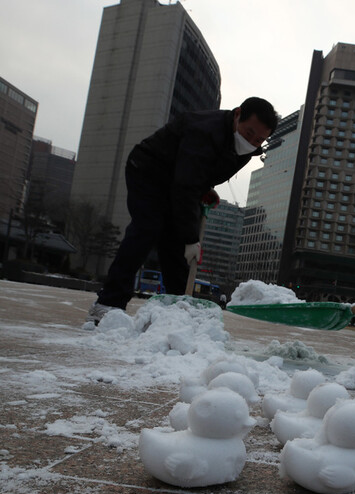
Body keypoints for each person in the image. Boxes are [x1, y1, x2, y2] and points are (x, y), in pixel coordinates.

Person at [87, 97, 278, 324]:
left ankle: (179, 308)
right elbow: (186, 183)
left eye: (259, 140)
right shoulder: (206, 131)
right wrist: (191, 237)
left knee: (176, 249)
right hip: (150, 171)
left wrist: (205, 189)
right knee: (147, 228)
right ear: (237, 114)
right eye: (249, 134)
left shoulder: (247, 150)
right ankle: (108, 302)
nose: (251, 142)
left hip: (180, 181)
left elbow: (200, 172)